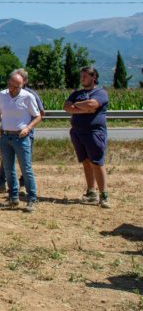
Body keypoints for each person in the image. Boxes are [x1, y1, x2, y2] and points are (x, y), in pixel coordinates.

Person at [0, 68, 45, 194]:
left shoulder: (30, 95)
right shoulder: (3, 94)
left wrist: (28, 127)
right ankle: (6, 188)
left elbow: (40, 113)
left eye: (16, 84)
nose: (12, 87)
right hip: (6, 134)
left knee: (25, 165)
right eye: (11, 83)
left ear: (24, 82)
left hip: (24, 134)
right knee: (7, 164)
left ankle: (25, 188)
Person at [63, 66, 111, 208]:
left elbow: (92, 104)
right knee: (85, 162)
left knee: (96, 163)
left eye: (85, 76)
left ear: (93, 77)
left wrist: (77, 106)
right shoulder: (77, 93)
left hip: (94, 133)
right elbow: (66, 106)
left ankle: (104, 195)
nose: (82, 78)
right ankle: (91, 192)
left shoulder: (100, 92)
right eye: (81, 76)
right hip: (77, 132)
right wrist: (85, 109)